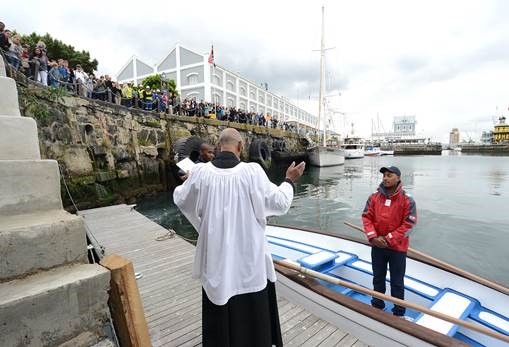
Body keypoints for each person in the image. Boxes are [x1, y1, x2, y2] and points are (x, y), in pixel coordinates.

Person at [173, 128, 305, 346]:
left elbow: (181, 199)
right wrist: (289, 181)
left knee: (220, 309)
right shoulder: (252, 172)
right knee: (254, 323)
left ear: (218, 146)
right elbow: (279, 203)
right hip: (249, 263)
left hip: (217, 261)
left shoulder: (201, 173)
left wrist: (191, 184)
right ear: (241, 148)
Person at [362, 166, 417, 318]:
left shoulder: (408, 200)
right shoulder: (374, 197)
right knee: (378, 278)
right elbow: (366, 217)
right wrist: (373, 237)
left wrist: (388, 239)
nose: (385, 178)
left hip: (397, 249)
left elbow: (409, 225)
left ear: (398, 178)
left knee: (397, 282)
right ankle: (377, 306)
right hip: (377, 246)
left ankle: (398, 313)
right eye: (384, 175)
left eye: (389, 175)